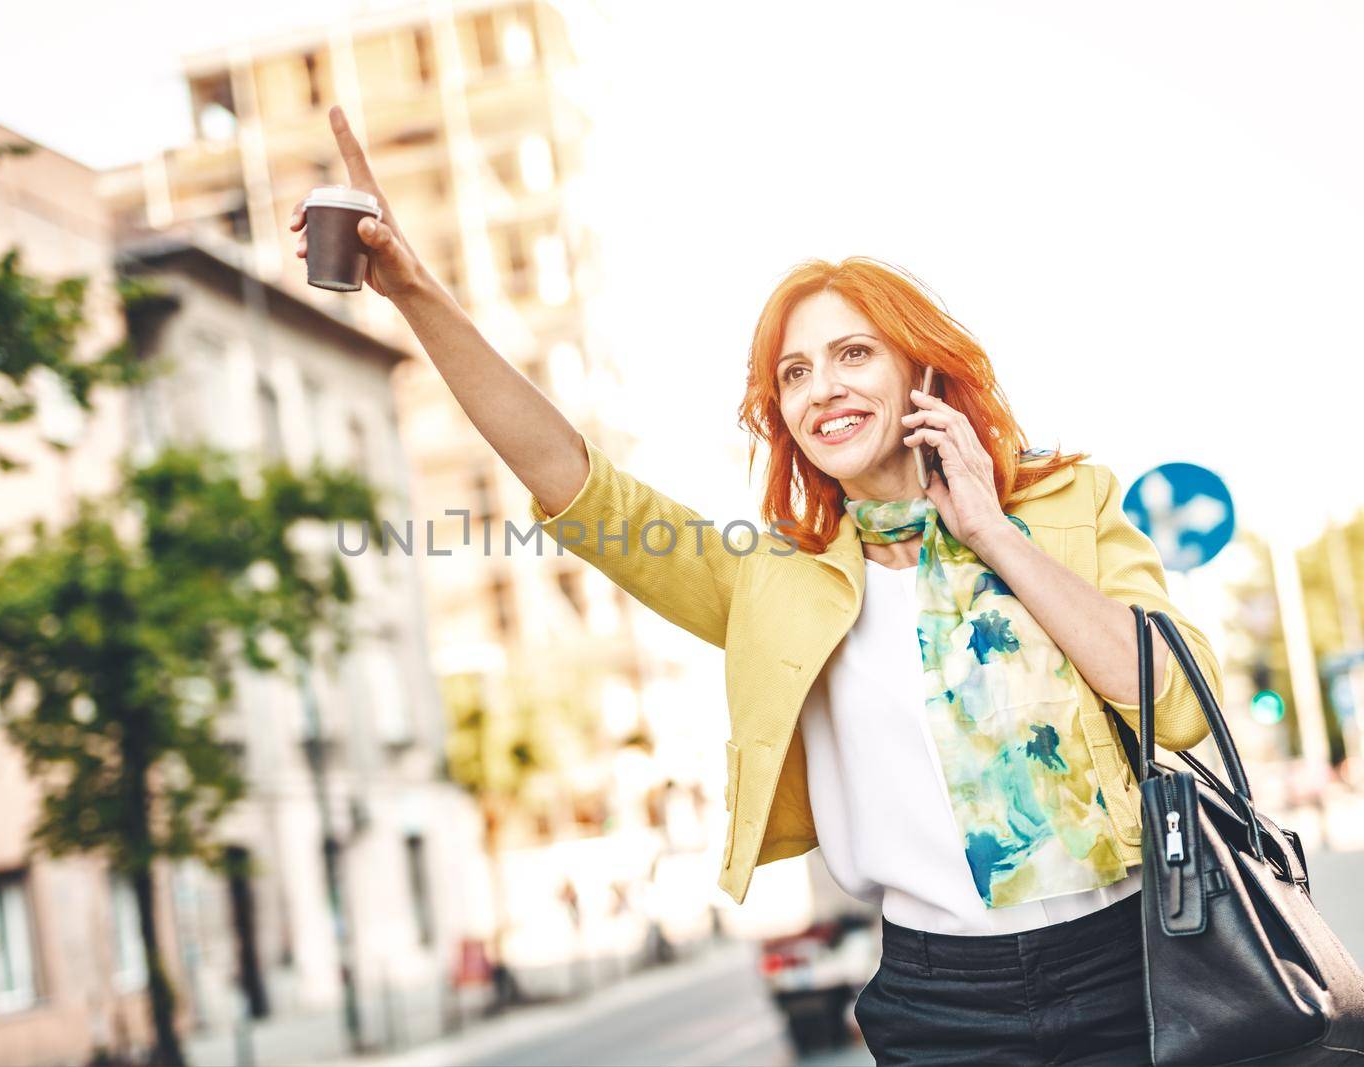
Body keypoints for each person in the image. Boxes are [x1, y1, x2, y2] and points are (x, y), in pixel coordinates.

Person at [292, 105, 1221, 1066]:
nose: (824, 387)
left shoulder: (1068, 505)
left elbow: (1180, 705)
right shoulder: (773, 580)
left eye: (854, 353)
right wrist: (413, 291)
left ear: (920, 372)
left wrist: (990, 531)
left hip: (1135, 966)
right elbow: (569, 474)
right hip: (944, 1004)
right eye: (795, 373)